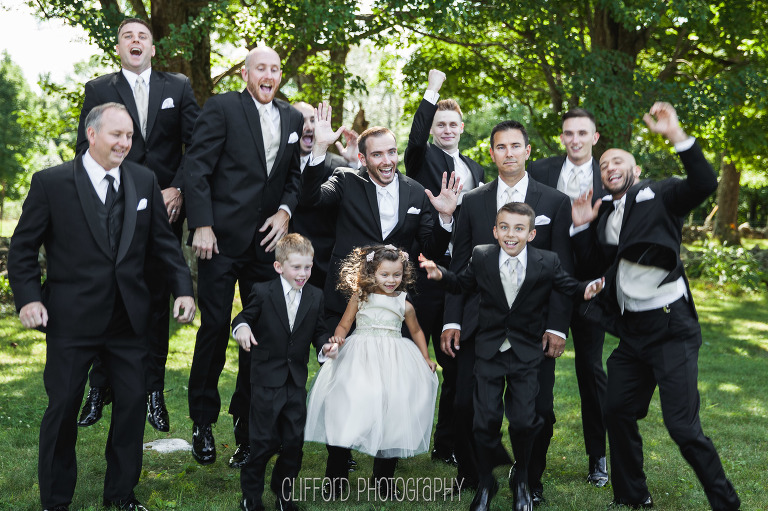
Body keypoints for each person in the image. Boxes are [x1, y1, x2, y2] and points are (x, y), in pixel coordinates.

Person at [8, 102, 196, 511]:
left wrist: (183, 289)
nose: (125, 143)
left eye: (129, 135)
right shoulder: (51, 182)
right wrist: (29, 299)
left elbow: (164, 245)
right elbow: (22, 249)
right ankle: (55, 501)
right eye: (116, 134)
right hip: (71, 320)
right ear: (91, 134)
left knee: (131, 406)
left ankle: (121, 494)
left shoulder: (144, 180)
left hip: (129, 320)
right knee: (62, 408)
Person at [571, 102, 741, 510]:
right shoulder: (603, 213)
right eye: (604, 164)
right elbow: (596, 264)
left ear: (636, 169)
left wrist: (676, 135)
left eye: (618, 161)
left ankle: (726, 503)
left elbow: (703, 182)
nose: (609, 167)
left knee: (682, 427)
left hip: (670, 328)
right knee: (616, 411)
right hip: (631, 333)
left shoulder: (660, 193)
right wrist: (581, 225)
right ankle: (632, 496)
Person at [420, 202, 603, 511]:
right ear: (495, 231)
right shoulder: (482, 256)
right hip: (489, 351)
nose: (511, 234)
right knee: (484, 421)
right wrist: (442, 275)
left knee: (524, 422)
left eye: (519, 228)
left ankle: (521, 480)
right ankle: (486, 482)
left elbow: (567, 286)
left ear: (531, 234)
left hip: (526, 353)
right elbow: (463, 283)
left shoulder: (547, 261)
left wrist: (586, 289)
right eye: (504, 227)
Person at [74, 17, 200, 433]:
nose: (135, 40)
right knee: (107, 293)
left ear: (152, 48)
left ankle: (153, 390)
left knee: (156, 301)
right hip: (114, 209)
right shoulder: (99, 89)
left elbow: (198, 145)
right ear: (118, 48)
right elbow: (85, 148)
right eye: (127, 36)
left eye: (142, 36)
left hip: (165, 209)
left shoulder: (177, 86)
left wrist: (178, 188)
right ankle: (100, 385)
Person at [184, 46, 304, 468]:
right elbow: (196, 167)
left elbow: (292, 177)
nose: (269, 75)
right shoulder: (221, 108)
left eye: (275, 69)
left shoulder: (292, 117)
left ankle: (248, 428)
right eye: (261, 68)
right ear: (245, 74)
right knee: (215, 329)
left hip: (266, 247)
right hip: (219, 242)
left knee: (261, 336)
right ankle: (202, 422)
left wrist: (285, 212)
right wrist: (202, 223)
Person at [441, 120, 573, 500]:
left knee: (540, 411)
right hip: (481, 324)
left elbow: (562, 270)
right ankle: (475, 475)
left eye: (516, 146)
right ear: (492, 153)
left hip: (533, 327)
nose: (509, 153)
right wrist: (452, 319)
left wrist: (557, 327)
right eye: (501, 147)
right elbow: (460, 264)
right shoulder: (473, 201)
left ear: (527, 151)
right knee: (465, 404)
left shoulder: (555, 202)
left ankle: (528, 478)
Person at [300, 101, 461, 328]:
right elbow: (310, 200)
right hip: (344, 300)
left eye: (391, 152)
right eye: (377, 154)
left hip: (394, 304)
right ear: (363, 159)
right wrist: (319, 148)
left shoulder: (416, 192)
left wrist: (444, 218)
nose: (387, 161)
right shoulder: (345, 180)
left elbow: (430, 250)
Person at [304, 245, 438, 499]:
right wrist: (338, 339)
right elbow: (344, 325)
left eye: (396, 275)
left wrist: (425, 357)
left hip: (393, 362)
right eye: (384, 274)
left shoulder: (404, 304)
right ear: (371, 272)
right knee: (346, 410)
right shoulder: (360, 297)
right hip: (359, 358)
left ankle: (383, 480)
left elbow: (417, 331)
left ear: (404, 274)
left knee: (392, 415)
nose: (391, 280)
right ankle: (336, 477)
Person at [404, 69, 485, 466]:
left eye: (453, 124)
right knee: (412, 358)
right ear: (434, 129)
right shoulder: (422, 158)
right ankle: (399, 437)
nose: (447, 129)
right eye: (441, 124)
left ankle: (446, 443)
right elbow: (414, 138)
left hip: (463, 275)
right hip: (426, 269)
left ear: (462, 128)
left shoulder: (476, 168)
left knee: (456, 364)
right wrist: (431, 91)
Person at [528, 108, 610, 486]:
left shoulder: (610, 177)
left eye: (582, 133)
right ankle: (531, 454)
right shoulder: (540, 170)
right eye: (568, 133)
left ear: (595, 137)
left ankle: (598, 457)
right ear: (561, 137)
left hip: (591, 290)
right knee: (536, 371)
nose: (575, 140)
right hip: (546, 288)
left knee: (590, 372)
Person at [231, 234, 337, 511]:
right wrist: (242, 328)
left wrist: (325, 346)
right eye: (297, 267)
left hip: (295, 382)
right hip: (266, 380)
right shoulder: (263, 291)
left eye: (308, 267)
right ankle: (251, 495)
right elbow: (243, 317)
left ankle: (283, 493)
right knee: (263, 442)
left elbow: (319, 331)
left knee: (293, 442)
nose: (303, 273)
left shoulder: (315, 296)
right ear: (279, 267)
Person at [290, 101, 359, 290]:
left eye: (313, 120)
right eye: (301, 121)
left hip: (324, 268)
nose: (309, 126)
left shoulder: (340, 165)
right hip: (283, 266)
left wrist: (355, 164)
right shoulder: (278, 164)